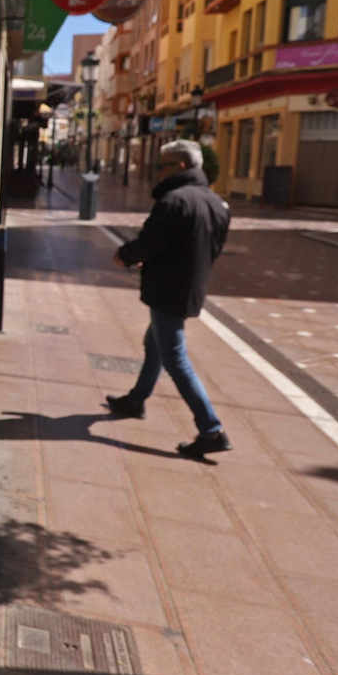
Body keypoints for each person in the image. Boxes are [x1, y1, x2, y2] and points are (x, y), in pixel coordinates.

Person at [105, 139, 232, 457]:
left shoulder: (175, 200)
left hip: (168, 290)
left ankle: (211, 430)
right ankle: (136, 400)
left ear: (180, 166)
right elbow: (211, 248)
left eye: (162, 166)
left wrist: (125, 255)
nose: (157, 172)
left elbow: (151, 241)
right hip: (189, 288)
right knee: (155, 345)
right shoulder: (217, 203)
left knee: (175, 359)